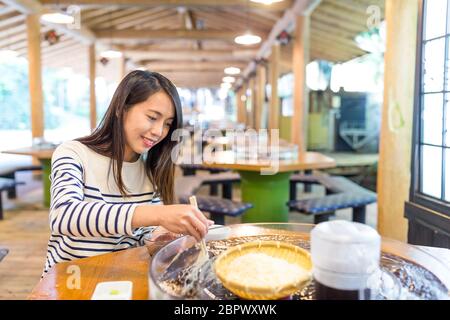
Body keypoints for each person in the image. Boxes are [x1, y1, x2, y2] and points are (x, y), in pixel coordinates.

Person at [43, 70, 212, 275]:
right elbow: (64, 217)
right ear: (121, 108)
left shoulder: (150, 170)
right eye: (152, 117)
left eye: (167, 124)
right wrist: (159, 214)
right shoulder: (73, 152)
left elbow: (144, 237)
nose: (159, 131)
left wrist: (165, 237)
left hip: (119, 279)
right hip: (72, 281)